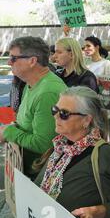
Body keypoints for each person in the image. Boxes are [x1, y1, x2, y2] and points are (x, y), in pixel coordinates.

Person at [32, 86, 110, 218]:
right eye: (55, 110)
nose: (56, 116)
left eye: (64, 113)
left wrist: (93, 212)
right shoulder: (60, 146)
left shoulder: (105, 155)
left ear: (86, 119)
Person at [0, 37, 67, 179]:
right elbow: (25, 122)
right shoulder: (32, 84)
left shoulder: (47, 92)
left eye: (13, 58)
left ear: (32, 61)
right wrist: (11, 127)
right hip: (30, 170)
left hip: (42, 178)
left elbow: (44, 145)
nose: (9, 62)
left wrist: (8, 132)